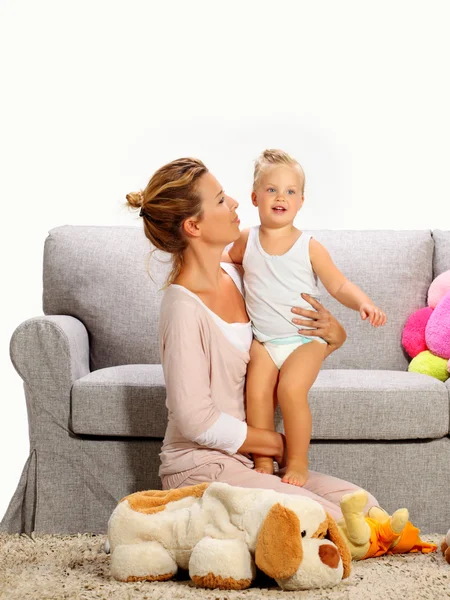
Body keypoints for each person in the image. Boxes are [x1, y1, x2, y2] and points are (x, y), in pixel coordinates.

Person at [125, 156, 379, 520]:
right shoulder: (182, 307)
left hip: (247, 462)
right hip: (199, 466)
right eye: (220, 199)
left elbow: (287, 344)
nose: (235, 204)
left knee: (365, 509)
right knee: (326, 521)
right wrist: (277, 443)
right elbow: (195, 420)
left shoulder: (241, 275)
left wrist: (334, 334)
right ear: (194, 226)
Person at [223, 149, 387, 487]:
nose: (280, 197)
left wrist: (362, 302)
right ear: (255, 198)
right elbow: (222, 262)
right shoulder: (246, 240)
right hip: (264, 341)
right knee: (255, 393)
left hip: (304, 339)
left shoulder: (308, 245)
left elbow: (338, 283)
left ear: (301, 201)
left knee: (292, 390)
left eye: (290, 191)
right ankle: (264, 460)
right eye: (271, 190)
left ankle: (297, 461)